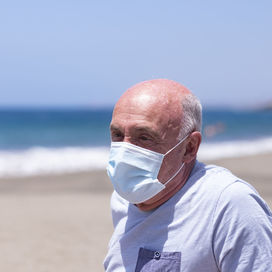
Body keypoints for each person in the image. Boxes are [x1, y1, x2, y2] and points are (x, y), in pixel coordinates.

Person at [103, 79, 272, 272]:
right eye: (117, 135)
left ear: (189, 148)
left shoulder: (228, 205)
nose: (126, 151)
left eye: (144, 137)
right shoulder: (123, 200)